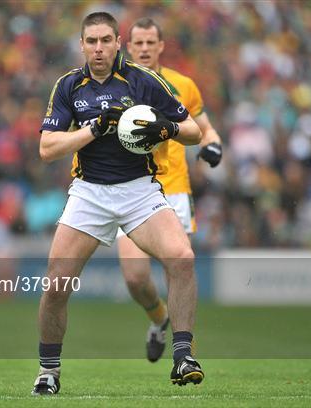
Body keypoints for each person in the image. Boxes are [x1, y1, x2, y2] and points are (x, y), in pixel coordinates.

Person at [33, 12, 204, 395]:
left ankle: (183, 356)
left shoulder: (143, 81)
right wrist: (93, 129)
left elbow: (193, 130)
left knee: (183, 258)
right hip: (89, 193)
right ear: (81, 45)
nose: (98, 48)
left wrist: (168, 129)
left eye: (106, 40)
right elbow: (47, 149)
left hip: (139, 190)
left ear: (118, 42)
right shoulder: (68, 86)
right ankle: (48, 371)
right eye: (91, 41)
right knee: (57, 284)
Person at [119, 17, 222, 363]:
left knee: (177, 267)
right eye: (139, 44)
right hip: (130, 187)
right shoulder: (117, 84)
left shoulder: (183, 85)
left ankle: (184, 353)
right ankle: (158, 318)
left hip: (173, 188)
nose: (145, 49)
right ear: (129, 47)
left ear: (161, 46)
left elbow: (203, 127)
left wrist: (213, 144)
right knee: (135, 278)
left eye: (151, 43)